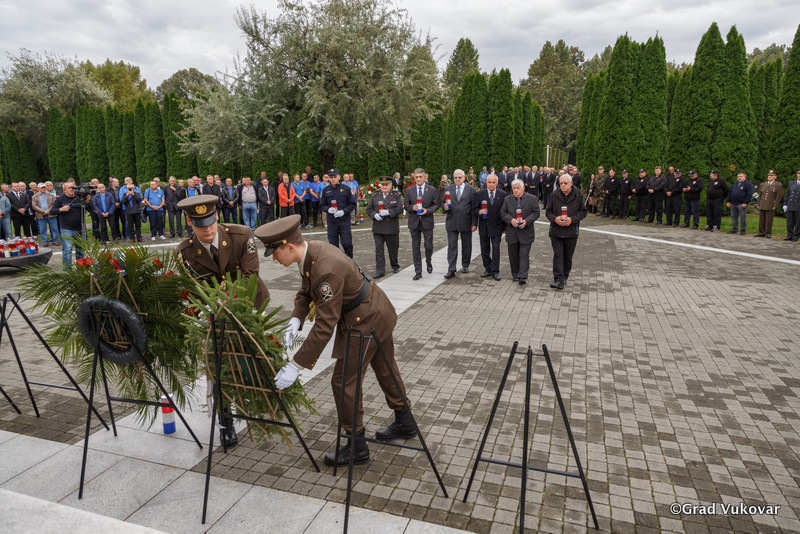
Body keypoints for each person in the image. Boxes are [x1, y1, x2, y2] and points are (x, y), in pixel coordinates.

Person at [256, 215, 414, 466]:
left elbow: (324, 325)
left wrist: (296, 365)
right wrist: (296, 318)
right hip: (376, 310)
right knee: (385, 367)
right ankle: (406, 422)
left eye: (275, 253)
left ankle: (357, 446)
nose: (274, 259)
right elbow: (306, 290)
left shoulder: (325, 268)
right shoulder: (312, 253)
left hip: (365, 319)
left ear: (290, 247)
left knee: (343, 382)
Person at [175, 194, 268, 447]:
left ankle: (264, 404)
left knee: (257, 359)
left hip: (250, 306)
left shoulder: (241, 235)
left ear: (216, 216)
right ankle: (226, 420)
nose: (207, 229)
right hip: (214, 317)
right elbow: (193, 290)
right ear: (189, 222)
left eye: (210, 222)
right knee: (219, 368)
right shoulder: (184, 253)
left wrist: (226, 305)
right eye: (200, 225)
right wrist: (205, 312)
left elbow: (250, 275)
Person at [546, 174, 588, 289]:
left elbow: (583, 212)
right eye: (561, 183)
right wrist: (555, 219)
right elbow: (548, 211)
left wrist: (572, 219)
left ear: (571, 183)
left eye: (565, 183)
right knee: (558, 256)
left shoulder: (578, 194)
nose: (563, 185)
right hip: (556, 231)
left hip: (571, 232)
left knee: (567, 257)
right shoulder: (554, 194)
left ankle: (564, 277)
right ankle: (558, 279)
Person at [500, 179, 540, 285]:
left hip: (526, 232)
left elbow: (536, 212)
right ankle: (515, 274)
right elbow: (502, 212)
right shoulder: (507, 199)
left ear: (523, 188)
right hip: (512, 232)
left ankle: (522, 276)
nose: (516, 190)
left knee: (524, 255)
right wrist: (510, 220)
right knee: (513, 255)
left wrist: (526, 221)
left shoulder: (532, 199)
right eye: (514, 188)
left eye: (518, 188)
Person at [404, 168, 439, 280]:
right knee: (415, 247)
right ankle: (418, 271)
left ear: (425, 177)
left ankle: (428, 261)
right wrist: (412, 208)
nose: (418, 179)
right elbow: (406, 205)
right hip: (414, 222)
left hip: (427, 221)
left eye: (420, 177)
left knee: (428, 246)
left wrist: (427, 211)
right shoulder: (409, 190)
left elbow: (436, 205)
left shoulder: (432, 189)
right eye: (416, 177)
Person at [442, 169, 477, 278]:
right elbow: (443, 203)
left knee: (466, 245)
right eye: (455, 178)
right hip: (452, 222)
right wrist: (444, 207)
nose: (457, 179)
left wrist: (474, 223)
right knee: (452, 246)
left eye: (459, 177)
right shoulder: (448, 189)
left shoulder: (471, 190)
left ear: (464, 178)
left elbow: (474, 208)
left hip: (466, 222)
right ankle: (451, 269)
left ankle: (465, 265)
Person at [365, 178, 403, 278]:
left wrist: (389, 212)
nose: (384, 187)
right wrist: (374, 215)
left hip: (391, 227)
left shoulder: (396, 195)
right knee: (379, 250)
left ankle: (395, 266)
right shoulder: (375, 196)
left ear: (390, 185)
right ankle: (380, 270)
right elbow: (369, 209)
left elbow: (399, 209)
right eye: (382, 185)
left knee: (393, 249)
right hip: (378, 227)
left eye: (386, 185)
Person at [48, 183, 92, 268]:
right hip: (67, 229)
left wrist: (87, 202)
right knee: (67, 250)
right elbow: (52, 211)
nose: (72, 189)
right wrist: (61, 209)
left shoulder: (80, 198)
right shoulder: (60, 198)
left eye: (73, 188)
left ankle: (81, 268)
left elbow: (91, 210)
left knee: (81, 249)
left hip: (81, 228)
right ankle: (68, 269)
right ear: (64, 190)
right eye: (70, 188)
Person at [473, 173, 507, 280]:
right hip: (484, 226)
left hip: (497, 226)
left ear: (497, 183)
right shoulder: (480, 194)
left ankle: (495, 271)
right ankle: (487, 268)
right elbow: (474, 209)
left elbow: (505, 211)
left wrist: (505, 228)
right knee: (484, 249)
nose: (491, 184)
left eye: (493, 182)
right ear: (486, 182)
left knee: (496, 248)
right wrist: (479, 211)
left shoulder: (503, 194)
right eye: (489, 182)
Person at [319, 168, 357, 258]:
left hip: (344, 221)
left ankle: (349, 261)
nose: (333, 179)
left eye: (335, 177)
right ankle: (336, 263)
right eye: (331, 177)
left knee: (347, 243)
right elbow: (322, 205)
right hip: (332, 222)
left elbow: (352, 204)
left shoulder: (346, 189)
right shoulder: (325, 190)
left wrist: (344, 211)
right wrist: (328, 209)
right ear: (328, 178)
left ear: (339, 177)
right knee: (333, 246)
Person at [755, 170, 783, 238]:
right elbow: (760, 195)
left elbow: (778, 196)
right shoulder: (763, 184)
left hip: (770, 204)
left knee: (769, 219)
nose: (769, 177)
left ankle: (768, 232)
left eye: (771, 175)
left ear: (775, 177)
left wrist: (775, 205)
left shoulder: (778, 185)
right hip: (762, 204)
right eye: (769, 175)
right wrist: (758, 203)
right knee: (761, 219)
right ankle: (761, 232)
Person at [120, 177, 144, 242]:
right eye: (129, 188)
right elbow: (122, 202)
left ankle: (139, 237)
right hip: (129, 211)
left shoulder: (137, 193)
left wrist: (133, 194)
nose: (130, 189)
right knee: (130, 225)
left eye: (131, 188)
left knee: (138, 225)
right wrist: (126, 196)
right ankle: (132, 237)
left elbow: (139, 199)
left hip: (136, 211)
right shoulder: (125, 194)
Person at [783, 169, 800, 241]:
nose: (799, 175)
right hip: (790, 205)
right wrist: (785, 204)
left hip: (798, 206)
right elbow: (787, 194)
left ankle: (796, 236)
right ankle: (789, 235)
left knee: (798, 222)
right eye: (798, 174)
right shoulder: (791, 183)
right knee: (789, 222)